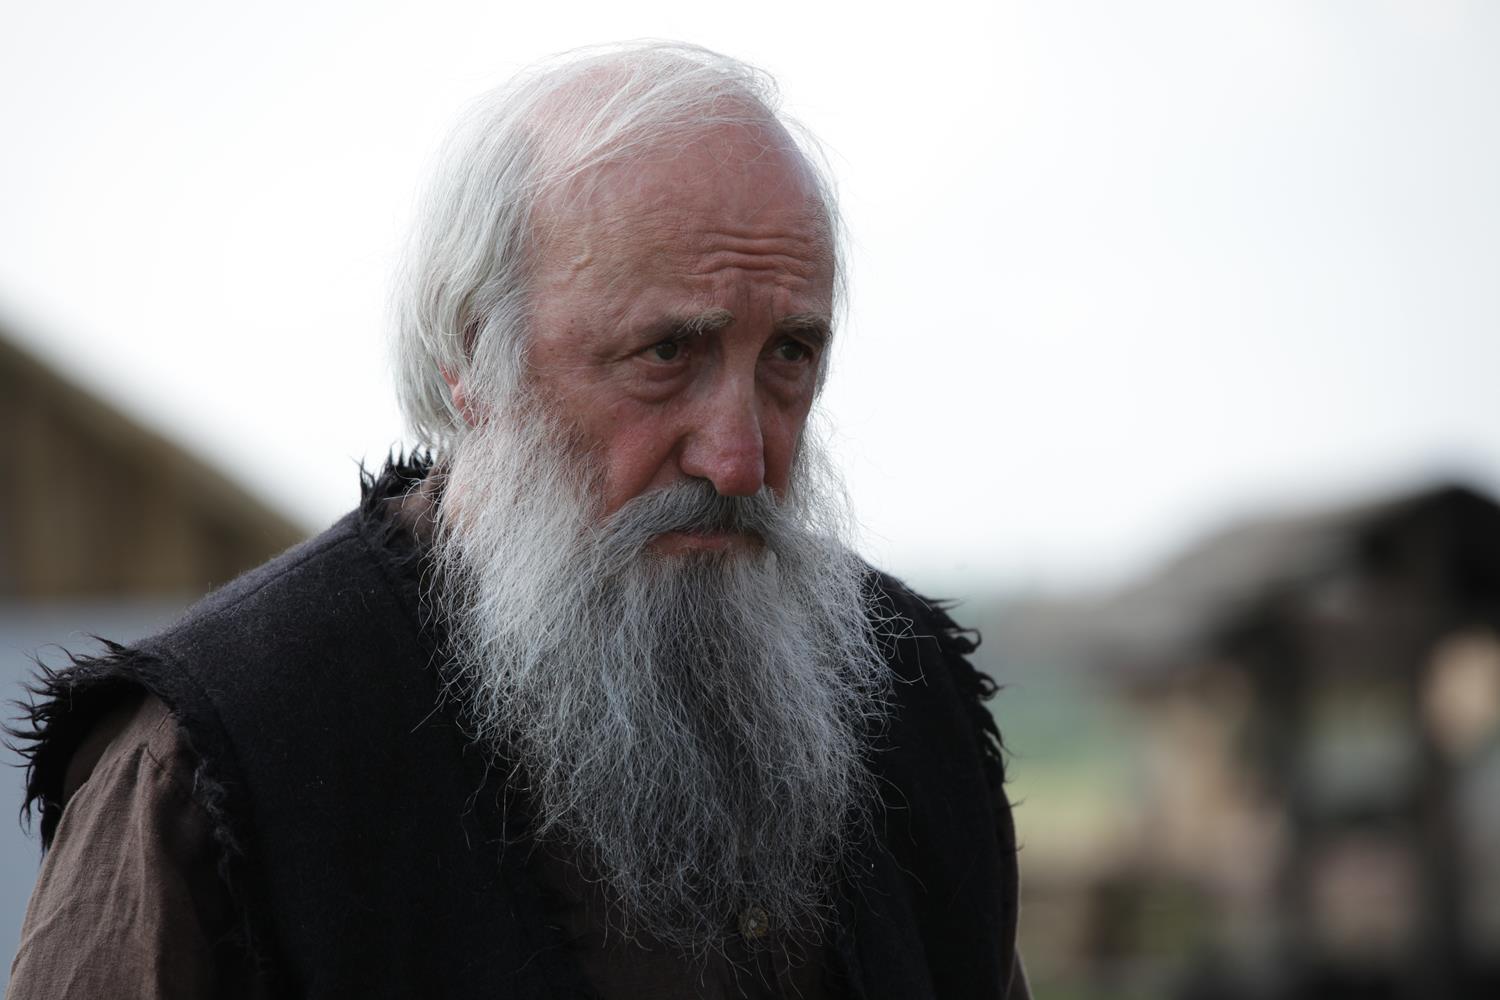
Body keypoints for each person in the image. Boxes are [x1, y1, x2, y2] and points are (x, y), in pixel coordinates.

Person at [9, 42, 1026, 999]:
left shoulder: (910, 699)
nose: (739, 458)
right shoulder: (219, 759)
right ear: (471, 355)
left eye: (789, 355)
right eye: (667, 353)